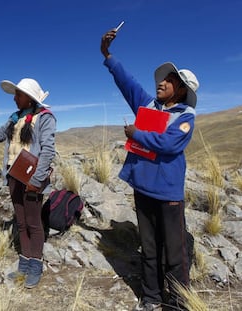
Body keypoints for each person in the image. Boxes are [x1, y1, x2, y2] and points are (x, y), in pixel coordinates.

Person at [101, 27, 199, 311]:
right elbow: (127, 83)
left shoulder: (185, 117)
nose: (162, 83)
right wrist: (107, 55)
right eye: (163, 79)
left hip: (168, 194)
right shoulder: (149, 106)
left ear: (181, 90)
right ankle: (152, 297)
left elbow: (169, 144)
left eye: (169, 81)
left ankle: (179, 302)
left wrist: (136, 134)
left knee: (175, 252)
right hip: (143, 189)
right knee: (149, 248)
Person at [0, 78, 56, 288]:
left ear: (29, 98)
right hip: (14, 176)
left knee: (33, 222)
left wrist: (37, 179)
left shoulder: (45, 118)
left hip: (32, 178)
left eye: (18, 95)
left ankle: (36, 265)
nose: (14, 98)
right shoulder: (14, 118)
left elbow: (48, 151)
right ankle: (24, 264)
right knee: (21, 222)